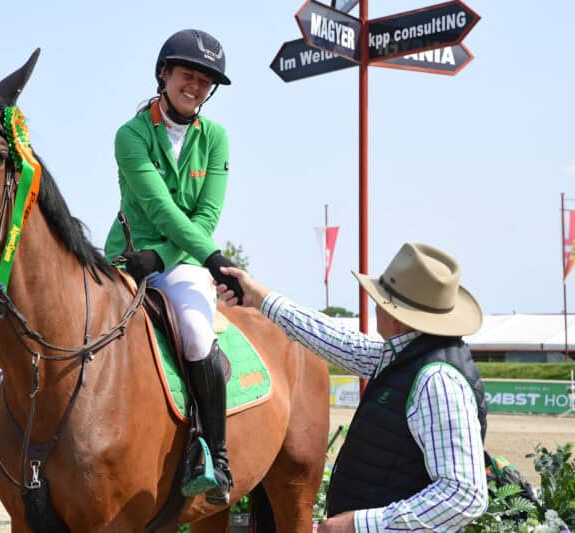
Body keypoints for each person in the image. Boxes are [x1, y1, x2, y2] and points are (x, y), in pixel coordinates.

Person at [216, 242, 489, 532]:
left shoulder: (437, 380)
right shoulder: (408, 355)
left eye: (380, 300)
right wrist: (260, 298)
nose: (375, 307)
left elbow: (464, 495)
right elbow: (342, 343)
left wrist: (359, 524)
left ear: (395, 315)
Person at [104, 29, 243, 505]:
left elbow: (205, 216)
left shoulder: (218, 139)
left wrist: (170, 257)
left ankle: (215, 457)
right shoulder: (131, 134)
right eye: (188, 74)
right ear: (164, 73)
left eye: (205, 81)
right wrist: (211, 256)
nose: (196, 86)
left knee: (197, 332)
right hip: (126, 257)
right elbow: (160, 209)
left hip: (179, 262)